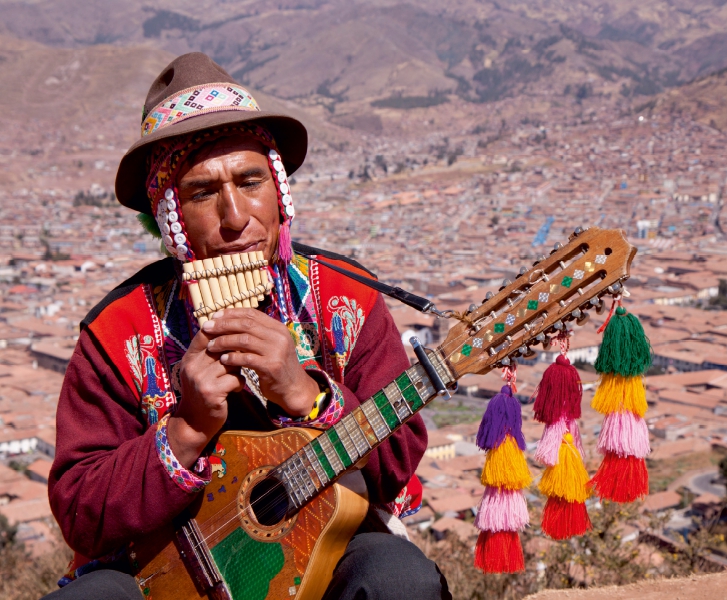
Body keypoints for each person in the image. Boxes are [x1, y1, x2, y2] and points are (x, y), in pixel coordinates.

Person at [46, 52, 451, 600]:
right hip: (166, 571)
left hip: (323, 543)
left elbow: (396, 461)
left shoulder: (347, 297)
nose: (236, 218)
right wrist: (184, 430)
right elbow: (79, 511)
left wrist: (307, 395)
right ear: (170, 218)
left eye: (250, 180)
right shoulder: (116, 333)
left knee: (397, 579)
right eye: (202, 192)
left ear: (280, 195)